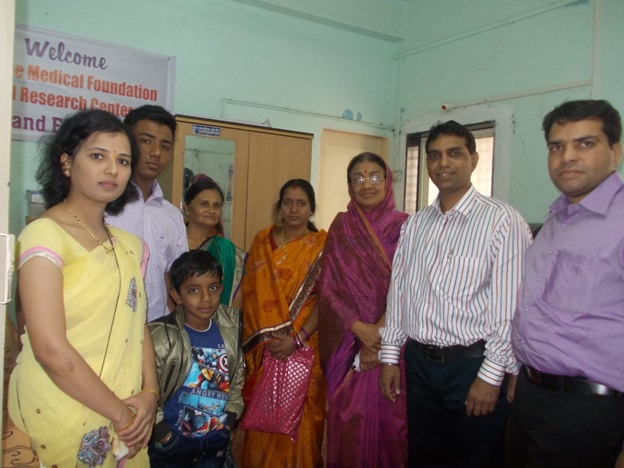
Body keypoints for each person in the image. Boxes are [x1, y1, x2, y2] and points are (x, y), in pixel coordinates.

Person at [8, 109, 159, 466]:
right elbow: (49, 349)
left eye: (123, 161)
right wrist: (122, 417)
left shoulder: (130, 246)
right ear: (66, 162)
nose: (112, 169)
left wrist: (151, 393)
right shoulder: (44, 235)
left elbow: (137, 327)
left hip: (127, 409)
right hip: (61, 407)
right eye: (97, 156)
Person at [380, 120, 531, 467]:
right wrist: (390, 356)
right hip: (419, 366)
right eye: (434, 155)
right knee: (424, 456)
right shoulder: (415, 225)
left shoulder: (502, 222)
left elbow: (511, 309)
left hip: (472, 367)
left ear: (474, 160)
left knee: (475, 458)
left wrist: (491, 376)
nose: (443, 163)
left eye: (454, 154)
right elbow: (399, 293)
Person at [508, 99, 624, 467]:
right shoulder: (556, 219)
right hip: (531, 395)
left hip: (590, 409)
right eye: (557, 146)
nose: (566, 156)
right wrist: (521, 372)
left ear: (615, 153)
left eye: (585, 144)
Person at [317, 152, 408, 467]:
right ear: (349, 185)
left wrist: (379, 336)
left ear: (387, 180)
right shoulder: (341, 226)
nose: (366, 184)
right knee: (349, 423)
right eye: (358, 177)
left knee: (392, 426)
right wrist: (357, 327)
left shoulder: (405, 226)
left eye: (374, 176)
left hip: (393, 348)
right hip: (349, 345)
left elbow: (408, 285)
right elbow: (326, 285)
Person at [241, 179, 327, 467]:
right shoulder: (261, 241)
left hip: (304, 347)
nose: (293, 209)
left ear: (311, 209)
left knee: (302, 427)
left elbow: (327, 300)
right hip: (264, 349)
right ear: (279, 206)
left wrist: (297, 338)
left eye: (301, 203)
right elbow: (250, 293)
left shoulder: (322, 247)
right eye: (288, 202)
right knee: (260, 421)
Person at [147, 250, 245, 467]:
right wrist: (162, 432)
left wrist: (230, 418)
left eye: (213, 288)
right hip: (171, 443)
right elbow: (145, 387)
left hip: (215, 440)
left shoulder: (230, 328)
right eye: (193, 290)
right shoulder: (161, 336)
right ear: (176, 295)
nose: (206, 298)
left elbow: (236, 377)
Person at [106, 104, 188, 322]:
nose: (156, 153)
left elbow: (178, 276)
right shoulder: (103, 205)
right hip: (109, 330)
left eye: (165, 146)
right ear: (127, 143)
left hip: (160, 332)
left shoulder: (172, 215)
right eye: (146, 141)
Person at [184, 175, 246, 309]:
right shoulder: (173, 243)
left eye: (217, 206)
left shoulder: (227, 250)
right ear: (187, 208)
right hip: (175, 322)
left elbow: (236, 296)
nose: (212, 210)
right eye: (204, 204)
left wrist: (228, 327)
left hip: (218, 326)